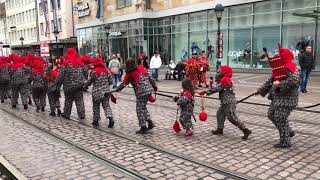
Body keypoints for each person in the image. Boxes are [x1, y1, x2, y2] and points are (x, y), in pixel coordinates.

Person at [255, 45, 300, 148]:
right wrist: (259, 91)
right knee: (271, 114)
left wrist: (279, 84)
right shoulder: (278, 67)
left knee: (280, 117)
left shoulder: (293, 66)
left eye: (279, 55)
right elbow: (270, 80)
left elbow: (294, 80)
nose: (276, 56)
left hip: (287, 98)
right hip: (277, 97)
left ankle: (285, 141)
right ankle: (288, 131)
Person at [206, 65, 252, 140]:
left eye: (219, 71)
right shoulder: (224, 79)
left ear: (223, 72)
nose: (217, 73)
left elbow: (217, 88)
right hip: (225, 102)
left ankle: (245, 130)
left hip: (229, 102)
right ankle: (220, 129)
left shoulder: (225, 79)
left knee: (232, 118)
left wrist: (207, 91)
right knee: (219, 114)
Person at [116, 58, 157, 134]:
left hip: (141, 92)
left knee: (139, 109)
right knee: (142, 107)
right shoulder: (141, 69)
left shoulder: (129, 74)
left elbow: (124, 84)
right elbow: (150, 78)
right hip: (148, 90)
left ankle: (143, 127)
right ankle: (150, 122)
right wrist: (154, 87)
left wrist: (117, 89)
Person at [83, 57, 114, 128]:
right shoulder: (107, 70)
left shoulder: (94, 71)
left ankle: (96, 121)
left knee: (96, 106)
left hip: (97, 92)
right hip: (106, 92)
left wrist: (84, 86)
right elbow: (111, 81)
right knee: (106, 106)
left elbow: (90, 81)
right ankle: (110, 118)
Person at [56, 48, 86, 119]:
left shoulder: (66, 64)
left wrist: (57, 83)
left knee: (68, 100)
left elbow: (60, 76)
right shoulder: (80, 63)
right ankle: (81, 114)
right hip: (79, 85)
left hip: (68, 86)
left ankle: (66, 114)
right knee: (79, 100)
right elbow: (86, 72)